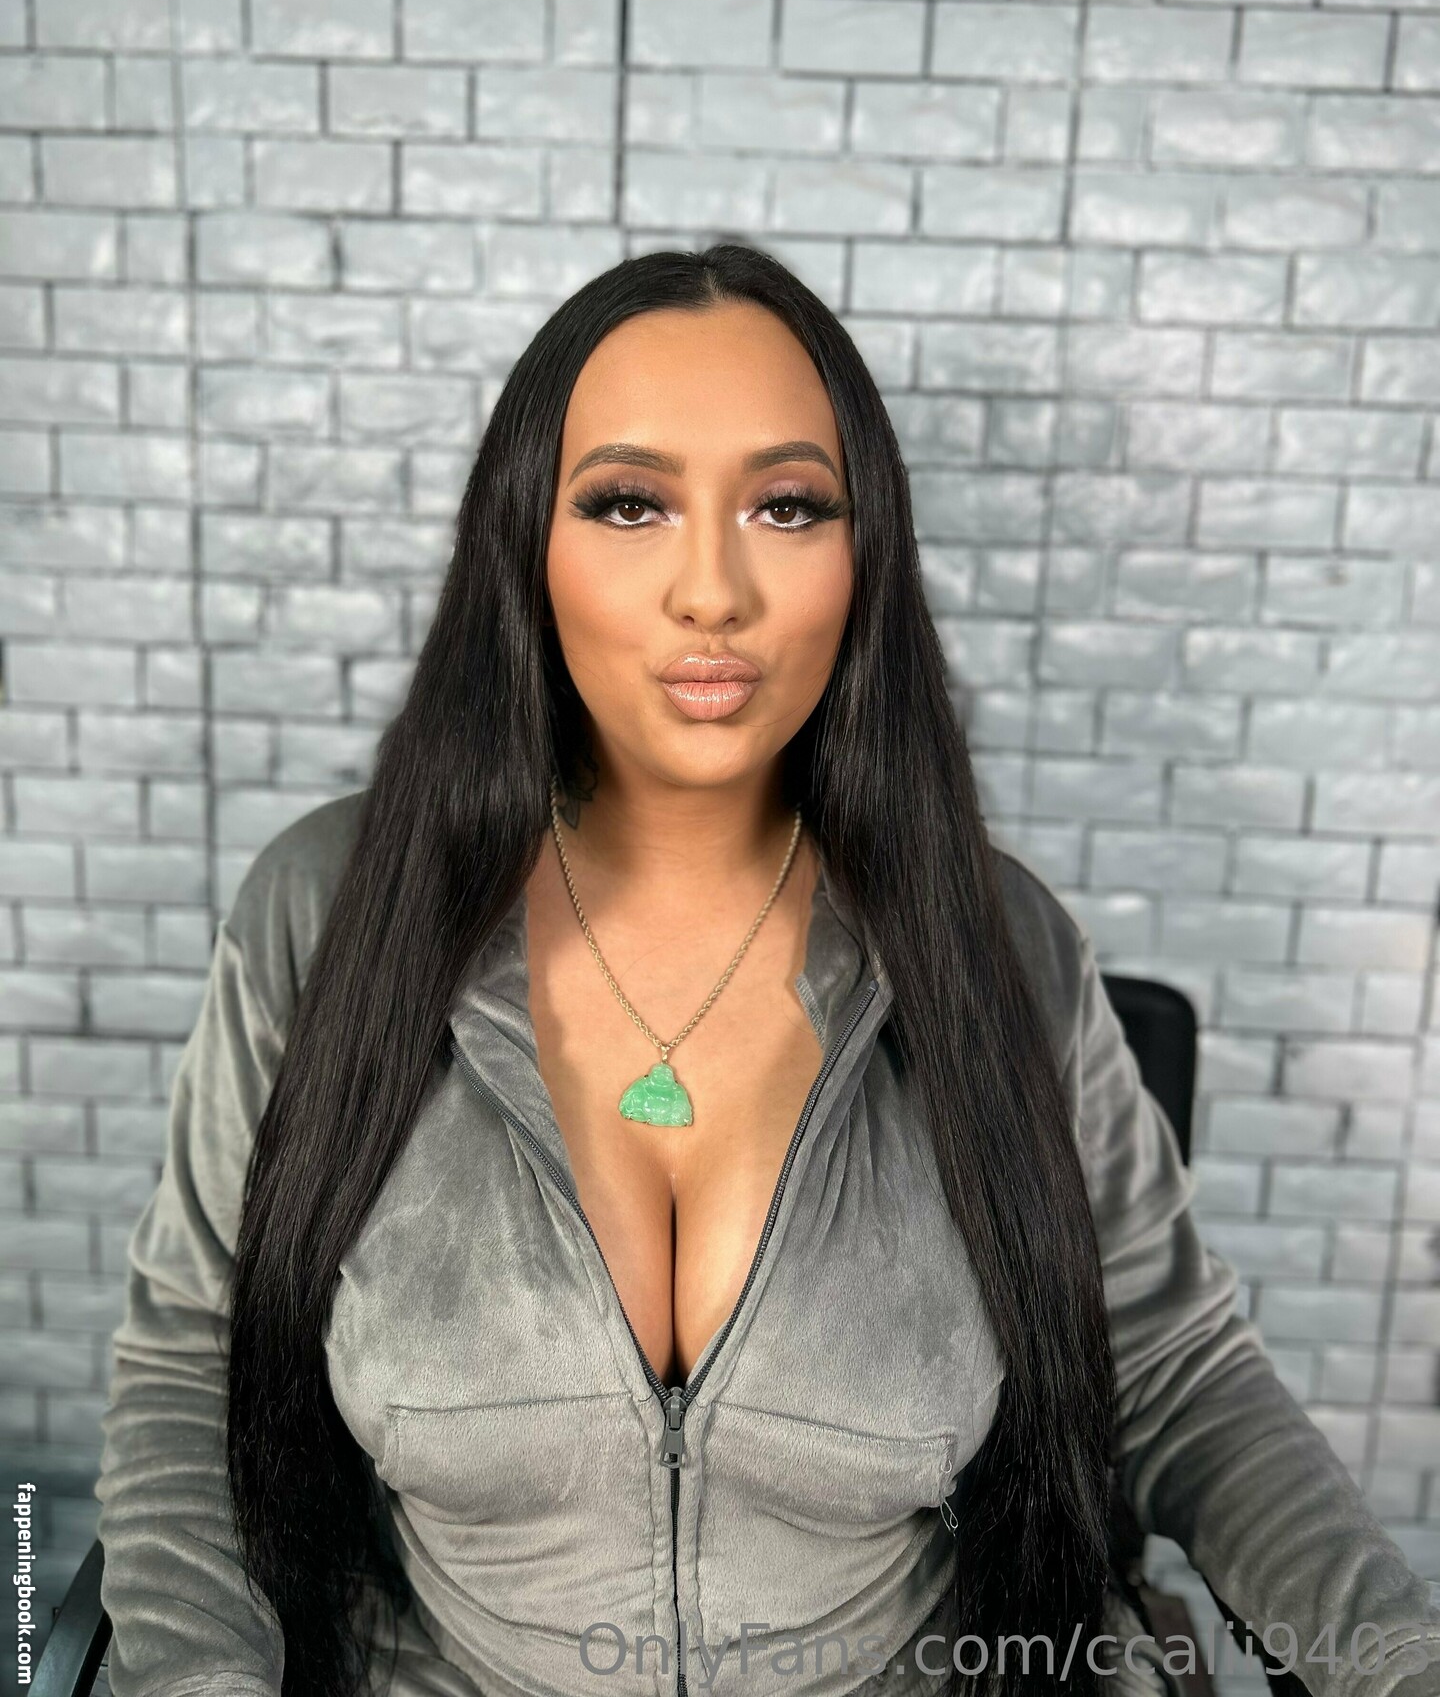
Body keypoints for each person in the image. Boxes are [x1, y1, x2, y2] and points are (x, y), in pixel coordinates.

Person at [94, 244, 1440, 1697]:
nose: (713, 590)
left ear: (864, 559)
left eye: (787, 507)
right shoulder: (326, 915)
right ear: (525, 545)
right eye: (629, 503)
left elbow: (1180, 1374)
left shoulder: (1000, 946)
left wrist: (1393, 1654)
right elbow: (191, 1369)